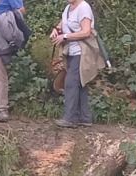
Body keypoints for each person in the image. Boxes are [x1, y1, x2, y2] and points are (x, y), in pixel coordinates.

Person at [52, 0, 96, 128]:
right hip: (71, 52)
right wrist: (56, 30)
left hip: (81, 53)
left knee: (70, 83)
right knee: (80, 84)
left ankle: (70, 118)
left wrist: (65, 36)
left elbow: (86, 31)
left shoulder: (83, 8)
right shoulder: (68, 8)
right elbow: (62, 24)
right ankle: (84, 118)